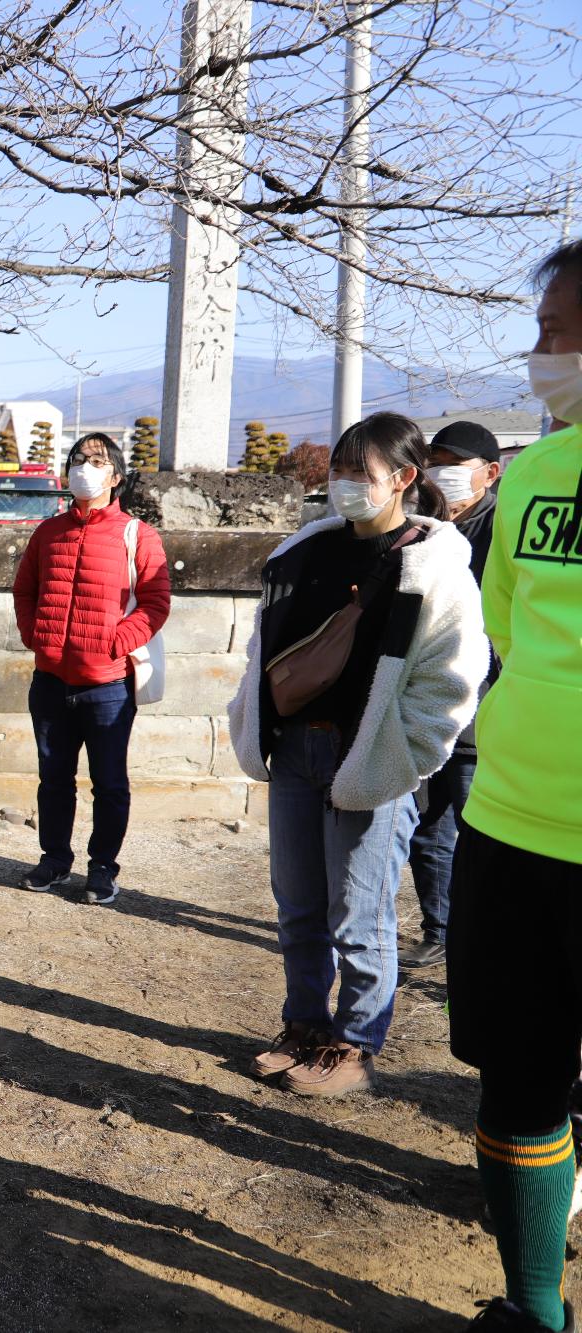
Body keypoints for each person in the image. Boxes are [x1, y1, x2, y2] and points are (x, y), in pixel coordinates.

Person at [228, 412, 483, 1100]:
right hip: (296, 750)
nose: (343, 483)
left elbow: (451, 681)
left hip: (369, 756)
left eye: (358, 472)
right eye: (338, 469)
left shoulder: (429, 565)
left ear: (403, 478)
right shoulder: (304, 553)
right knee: (298, 904)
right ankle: (304, 1025)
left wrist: (403, 757)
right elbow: (263, 651)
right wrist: (251, 721)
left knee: (361, 915)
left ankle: (357, 1041)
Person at [449, 241, 582, 1332]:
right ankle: (532, 1304)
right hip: (510, 826)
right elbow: (503, 634)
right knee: (516, 1077)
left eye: (556, 332)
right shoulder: (534, 475)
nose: (538, 355)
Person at [10, 432, 171, 906]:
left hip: (107, 685)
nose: (85, 467)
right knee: (53, 777)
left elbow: (156, 604)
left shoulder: (137, 535)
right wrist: (33, 635)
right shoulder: (48, 532)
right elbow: (25, 591)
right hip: (50, 680)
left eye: (97, 461)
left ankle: (102, 867)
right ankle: (55, 859)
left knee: (110, 782)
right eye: (78, 459)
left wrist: (113, 644)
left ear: (115, 476)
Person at [400, 420, 504, 970]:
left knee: (480, 831)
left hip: (483, 707)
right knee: (427, 829)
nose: (442, 473)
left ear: (490, 473)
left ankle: (485, 939)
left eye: (453, 463)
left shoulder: (505, 529)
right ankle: (440, 928)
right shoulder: (424, 529)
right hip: (425, 706)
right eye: (433, 461)